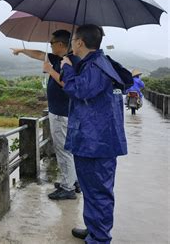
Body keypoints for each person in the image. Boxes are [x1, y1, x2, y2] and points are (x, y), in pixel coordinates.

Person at [60, 24, 127, 244]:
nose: (71, 45)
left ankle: (99, 238)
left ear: (79, 42)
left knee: (99, 192)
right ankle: (94, 229)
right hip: (94, 139)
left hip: (96, 142)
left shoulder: (97, 66)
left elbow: (79, 90)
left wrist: (67, 68)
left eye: (72, 41)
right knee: (91, 189)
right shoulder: (96, 64)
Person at [11, 29, 80, 200]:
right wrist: (22, 50)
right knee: (67, 149)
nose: (50, 45)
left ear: (61, 44)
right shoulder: (58, 58)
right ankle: (72, 180)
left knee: (63, 150)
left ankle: (68, 187)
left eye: (52, 43)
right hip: (59, 111)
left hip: (62, 113)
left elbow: (66, 83)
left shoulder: (71, 61)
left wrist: (49, 70)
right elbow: (39, 54)